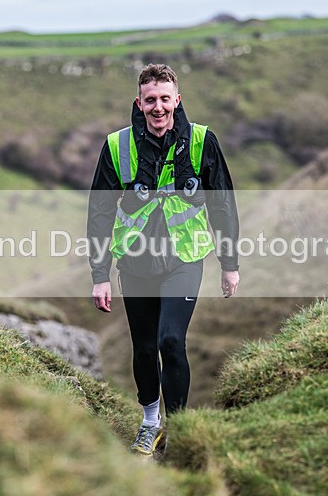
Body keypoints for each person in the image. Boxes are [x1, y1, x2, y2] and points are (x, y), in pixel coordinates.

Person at [86, 63, 240, 457]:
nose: (158, 107)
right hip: (134, 261)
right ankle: (150, 422)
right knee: (142, 348)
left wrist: (229, 263)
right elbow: (100, 211)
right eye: (150, 99)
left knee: (170, 341)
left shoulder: (203, 141)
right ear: (139, 102)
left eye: (165, 99)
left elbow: (223, 204)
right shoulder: (117, 145)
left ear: (178, 100)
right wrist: (100, 274)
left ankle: (177, 428)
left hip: (184, 258)